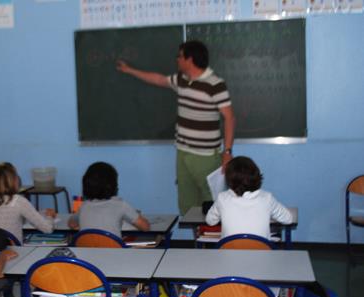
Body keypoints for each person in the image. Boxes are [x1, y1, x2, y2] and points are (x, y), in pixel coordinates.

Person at [117, 40, 235, 215]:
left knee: (212, 206)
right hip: (183, 152)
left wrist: (227, 152)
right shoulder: (181, 80)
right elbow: (158, 79)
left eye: (180, 56)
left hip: (206, 156)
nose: (177, 60)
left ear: (190, 59)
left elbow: (230, 117)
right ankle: (197, 242)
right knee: (188, 206)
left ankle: (209, 242)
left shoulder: (215, 84)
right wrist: (130, 70)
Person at [205, 156, 294, 239]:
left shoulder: (222, 198)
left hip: (229, 252)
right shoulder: (267, 198)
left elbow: (210, 221)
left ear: (229, 179)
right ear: (256, 176)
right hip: (262, 253)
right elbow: (288, 219)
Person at [0, 162, 56, 244]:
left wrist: (42, 212)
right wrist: (49, 216)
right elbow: (47, 229)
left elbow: (11, 217)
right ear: (14, 181)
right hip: (12, 251)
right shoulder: (18, 201)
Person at [68, 161, 150, 237]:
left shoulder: (84, 206)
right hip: (114, 251)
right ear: (113, 185)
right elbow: (145, 227)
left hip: (86, 251)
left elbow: (71, 224)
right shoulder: (121, 205)